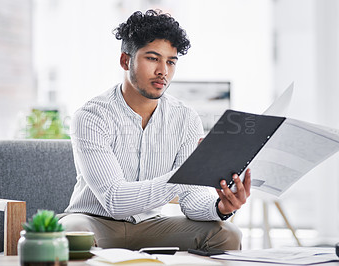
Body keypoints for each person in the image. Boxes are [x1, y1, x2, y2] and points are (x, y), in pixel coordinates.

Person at [59, 9, 251, 251]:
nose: (163, 71)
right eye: (152, 58)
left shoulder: (186, 119)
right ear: (125, 60)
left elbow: (192, 199)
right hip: (94, 222)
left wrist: (220, 207)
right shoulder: (91, 116)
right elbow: (115, 200)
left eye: (171, 61)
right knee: (71, 234)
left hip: (151, 225)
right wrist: (188, 172)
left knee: (227, 234)